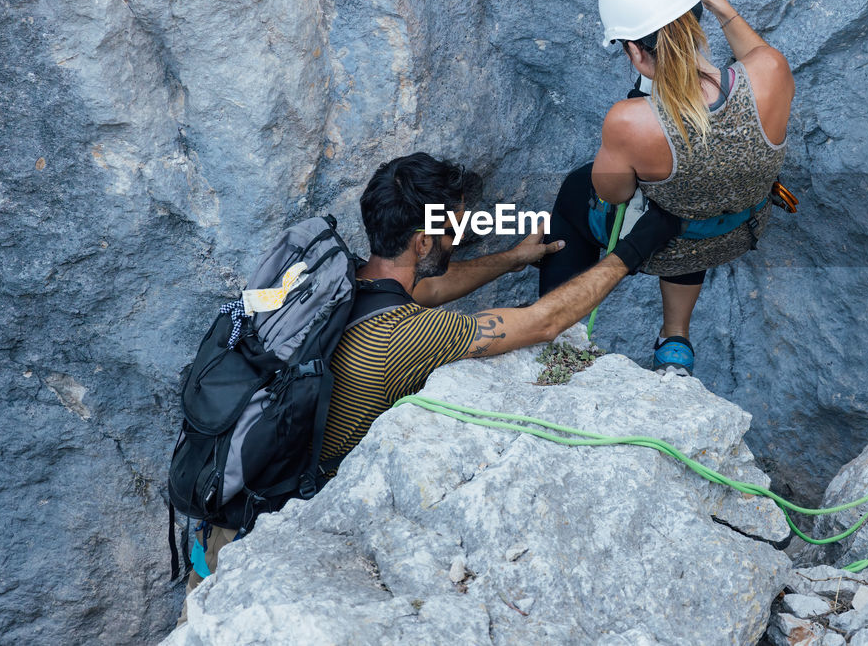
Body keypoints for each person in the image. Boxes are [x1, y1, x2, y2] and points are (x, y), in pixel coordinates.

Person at [183, 152, 679, 603]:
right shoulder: (405, 337)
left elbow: (428, 288)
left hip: (219, 518)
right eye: (453, 228)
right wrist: (633, 251)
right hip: (253, 552)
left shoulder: (337, 283)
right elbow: (543, 322)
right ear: (423, 240)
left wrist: (514, 258)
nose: (462, 234)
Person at [539, 0, 793, 377]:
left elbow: (612, 194)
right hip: (735, 230)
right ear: (697, 20)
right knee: (694, 194)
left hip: (666, 244)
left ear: (636, 51)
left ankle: (558, 335)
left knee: (577, 190)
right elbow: (755, 52)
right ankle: (675, 340)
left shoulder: (631, 121)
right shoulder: (772, 72)